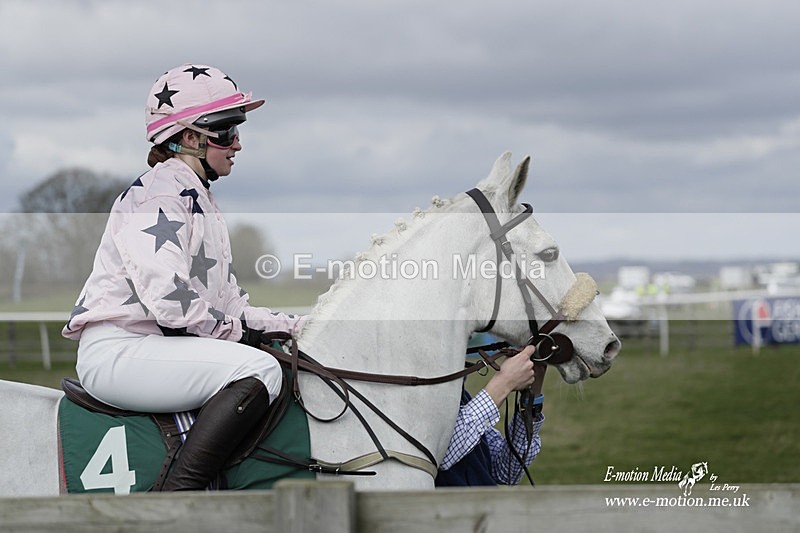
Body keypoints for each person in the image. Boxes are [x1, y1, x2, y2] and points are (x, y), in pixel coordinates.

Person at [62, 64, 304, 491]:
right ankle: (177, 501)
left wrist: (302, 327)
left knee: (273, 360)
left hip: (151, 349)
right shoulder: (159, 194)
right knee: (261, 370)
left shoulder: (197, 198)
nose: (238, 144)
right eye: (227, 132)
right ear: (190, 138)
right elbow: (170, 302)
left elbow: (230, 306)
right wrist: (239, 336)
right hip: (122, 352)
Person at [436, 345, 546, 486]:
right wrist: (504, 382)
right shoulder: (415, 394)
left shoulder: (461, 396)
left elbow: (505, 471)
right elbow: (439, 457)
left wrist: (532, 397)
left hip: (487, 507)